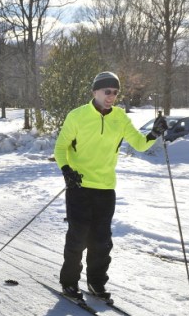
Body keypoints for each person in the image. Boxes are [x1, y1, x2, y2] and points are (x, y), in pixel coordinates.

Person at [54, 71, 167, 303]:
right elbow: (60, 148)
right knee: (78, 237)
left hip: (106, 188)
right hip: (79, 186)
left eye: (115, 93)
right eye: (107, 92)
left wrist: (154, 133)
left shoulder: (120, 118)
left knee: (101, 240)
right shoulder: (77, 116)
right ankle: (69, 282)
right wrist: (67, 170)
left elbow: (140, 143)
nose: (111, 97)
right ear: (95, 91)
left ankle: (96, 282)